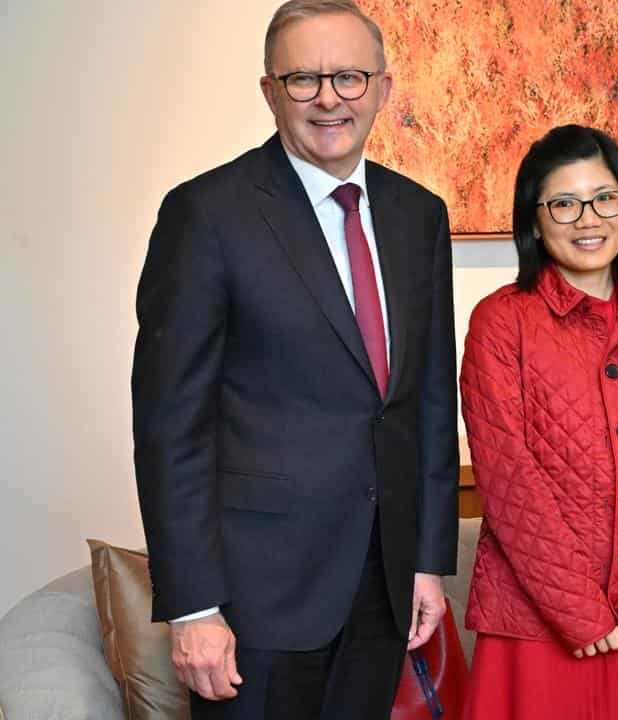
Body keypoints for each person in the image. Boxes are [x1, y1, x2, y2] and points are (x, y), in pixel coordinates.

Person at [131, 1, 458, 717]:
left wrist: (427, 561)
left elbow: (429, 401)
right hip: (255, 605)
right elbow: (170, 428)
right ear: (269, 91)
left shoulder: (418, 215)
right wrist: (192, 608)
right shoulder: (206, 214)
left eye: (348, 75)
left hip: (382, 588)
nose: (329, 97)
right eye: (303, 78)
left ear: (383, 87)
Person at [458, 124, 618, 720]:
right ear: (535, 218)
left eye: (605, 198)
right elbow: (506, 480)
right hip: (534, 621)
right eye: (564, 204)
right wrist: (579, 610)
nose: (588, 218)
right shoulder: (501, 322)